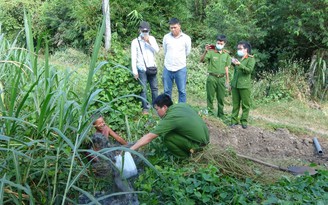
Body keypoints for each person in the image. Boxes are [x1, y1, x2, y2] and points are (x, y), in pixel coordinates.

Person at [130, 94, 209, 158]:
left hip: (200, 144)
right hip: (206, 138)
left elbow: (149, 137)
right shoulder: (181, 105)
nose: (156, 112)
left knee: (167, 138)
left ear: (164, 107)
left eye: (157, 109)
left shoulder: (171, 117)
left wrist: (131, 149)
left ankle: (185, 158)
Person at [131, 21, 160, 114]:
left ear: (149, 30)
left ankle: (155, 106)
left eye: (146, 31)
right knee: (143, 89)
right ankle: (145, 108)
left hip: (152, 67)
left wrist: (148, 42)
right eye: (143, 31)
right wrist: (134, 71)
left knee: (154, 88)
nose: (145, 33)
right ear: (139, 30)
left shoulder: (152, 39)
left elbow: (157, 50)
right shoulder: (135, 42)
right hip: (141, 68)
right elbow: (133, 57)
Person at [200, 34, 231, 120]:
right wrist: (205, 51)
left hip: (221, 78)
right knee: (210, 96)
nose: (219, 45)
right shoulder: (211, 52)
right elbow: (201, 60)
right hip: (212, 77)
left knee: (221, 97)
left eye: (221, 43)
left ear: (224, 44)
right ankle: (210, 112)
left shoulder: (226, 55)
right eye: (218, 43)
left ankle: (220, 114)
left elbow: (226, 68)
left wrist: (227, 81)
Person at [162, 18, 191, 103]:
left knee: (182, 91)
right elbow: (165, 50)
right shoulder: (166, 37)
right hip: (168, 68)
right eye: (171, 28)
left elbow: (187, 52)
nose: (173, 29)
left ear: (179, 26)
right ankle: (168, 110)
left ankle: (181, 111)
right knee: (167, 91)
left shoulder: (186, 38)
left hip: (180, 68)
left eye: (175, 27)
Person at [230, 41, 256, 129]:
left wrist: (239, 64)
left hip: (244, 85)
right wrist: (233, 63)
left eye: (240, 49)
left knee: (245, 105)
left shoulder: (251, 59)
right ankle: (233, 121)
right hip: (235, 85)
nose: (238, 50)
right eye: (238, 49)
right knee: (235, 104)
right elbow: (236, 72)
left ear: (246, 50)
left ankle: (244, 121)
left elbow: (249, 71)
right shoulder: (239, 58)